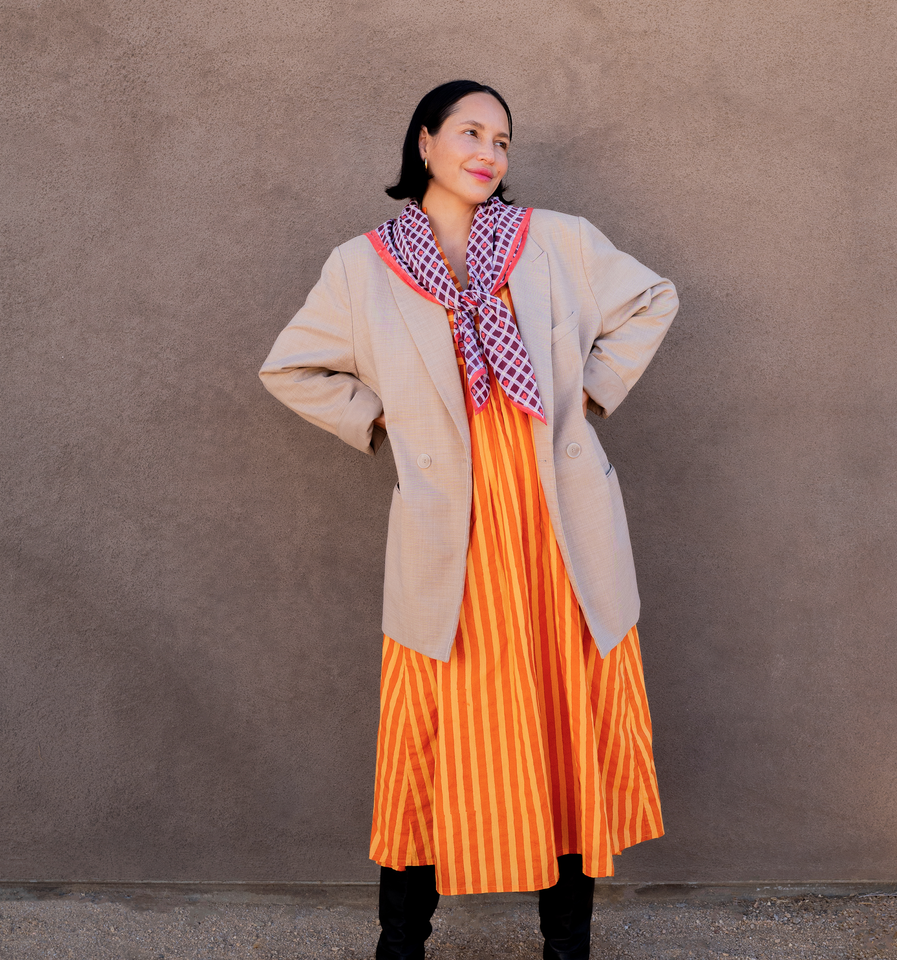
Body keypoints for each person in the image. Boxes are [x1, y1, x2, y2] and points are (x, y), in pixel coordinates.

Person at [259, 79, 679, 960]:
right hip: (450, 538)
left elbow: (651, 300)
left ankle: (567, 945)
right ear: (425, 142)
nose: (488, 153)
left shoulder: (554, 242)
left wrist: (591, 398)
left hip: (555, 528)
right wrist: (384, 426)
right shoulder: (362, 265)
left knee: (563, 726)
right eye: (470, 133)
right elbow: (292, 366)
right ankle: (401, 942)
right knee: (431, 734)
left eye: (503, 140)